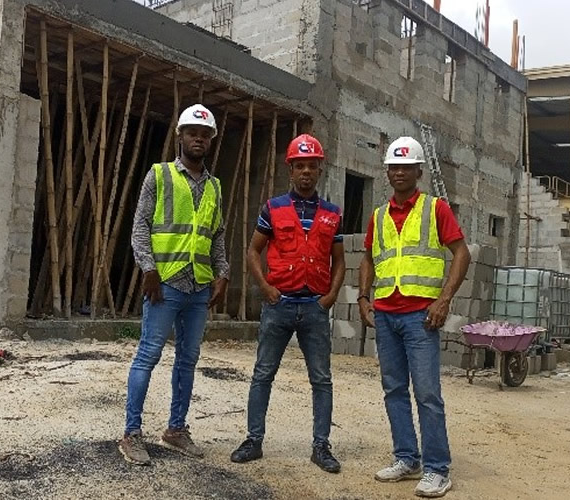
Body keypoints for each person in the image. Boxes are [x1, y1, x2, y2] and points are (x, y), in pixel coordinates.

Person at [358, 136, 470, 497]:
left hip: (421, 317)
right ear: (387, 172)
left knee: (427, 393)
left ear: (419, 171)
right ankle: (407, 458)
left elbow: (462, 253)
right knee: (394, 390)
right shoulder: (379, 216)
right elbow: (367, 258)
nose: (399, 172)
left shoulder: (435, 209)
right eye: (394, 167)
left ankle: (438, 469)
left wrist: (444, 300)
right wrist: (363, 297)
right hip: (386, 316)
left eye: (407, 167)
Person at [118, 104, 229, 465]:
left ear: (211, 140)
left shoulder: (214, 186)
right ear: (180, 136)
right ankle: (131, 434)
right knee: (148, 355)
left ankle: (176, 429)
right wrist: (148, 269)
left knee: (188, 359)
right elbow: (140, 226)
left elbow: (216, 235)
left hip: (198, 287)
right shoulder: (159, 175)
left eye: (205, 134)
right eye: (192, 132)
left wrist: (222, 273)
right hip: (164, 284)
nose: (199, 138)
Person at [229, 134, 345, 473]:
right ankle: (253, 440)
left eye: (312, 166)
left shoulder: (332, 214)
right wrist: (265, 287)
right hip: (278, 305)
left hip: (314, 307)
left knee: (321, 379)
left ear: (320, 170)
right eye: (300, 166)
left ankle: (321, 446)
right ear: (290, 170)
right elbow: (253, 251)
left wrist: (331, 296)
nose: (306, 171)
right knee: (263, 373)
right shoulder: (273, 208)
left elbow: (339, 260)